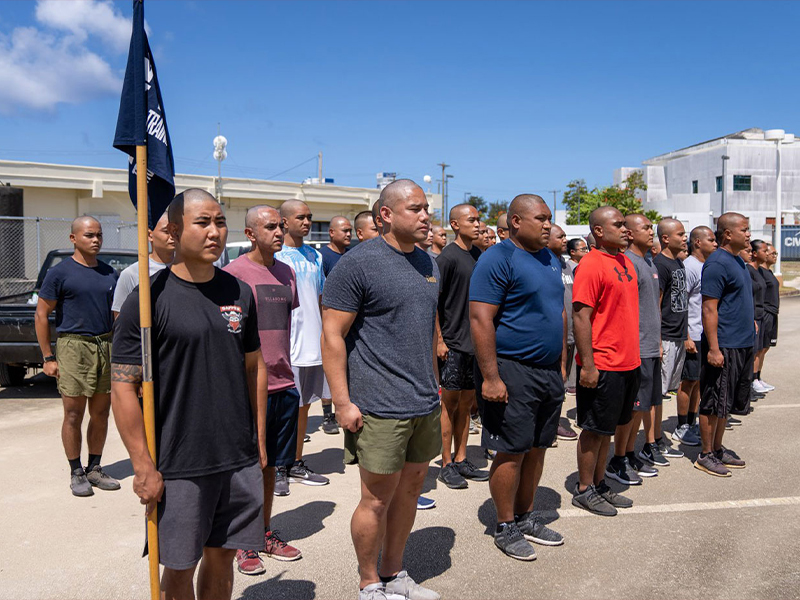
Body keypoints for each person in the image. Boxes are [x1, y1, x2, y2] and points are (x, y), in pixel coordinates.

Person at [111, 190, 267, 600]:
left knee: (223, 561)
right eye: (203, 222)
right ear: (175, 232)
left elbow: (254, 368)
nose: (214, 231)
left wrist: (259, 441)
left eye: (219, 222)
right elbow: (123, 386)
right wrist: (143, 465)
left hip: (237, 458)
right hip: (179, 463)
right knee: (179, 567)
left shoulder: (239, 293)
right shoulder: (147, 301)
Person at [321, 179, 442, 600]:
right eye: (415, 208)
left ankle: (394, 574)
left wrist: (435, 389)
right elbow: (332, 334)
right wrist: (341, 401)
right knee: (375, 501)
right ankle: (369, 583)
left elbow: (425, 331)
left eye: (426, 208)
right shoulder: (357, 264)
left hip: (424, 402)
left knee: (410, 492)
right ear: (386, 215)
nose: (425, 216)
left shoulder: (429, 264)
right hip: (378, 405)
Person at [471, 194, 566, 560]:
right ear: (514, 221)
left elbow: (554, 312)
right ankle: (505, 524)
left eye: (549, 218)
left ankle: (525, 516)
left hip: (547, 372)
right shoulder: (498, 259)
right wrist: (491, 377)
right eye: (540, 218)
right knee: (511, 450)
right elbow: (480, 319)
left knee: (538, 446)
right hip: (512, 370)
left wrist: (560, 363)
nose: (547, 225)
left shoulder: (549, 258)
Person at [224, 205, 303, 574]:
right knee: (245, 469)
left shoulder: (287, 272)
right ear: (250, 233)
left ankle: (264, 531)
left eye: (280, 226)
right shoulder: (231, 275)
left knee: (270, 466)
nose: (279, 231)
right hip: (245, 390)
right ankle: (242, 541)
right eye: (270, 226)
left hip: (284, 383)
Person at [35, 216, 120, 497]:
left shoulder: (110, 273)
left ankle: (94, 468)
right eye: (89, 235)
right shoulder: (60, 273)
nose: (95, 240)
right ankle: (76, 471)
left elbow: (117, 316)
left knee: (100, 413)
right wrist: (48, 356)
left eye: (99, 235)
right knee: (73, 414)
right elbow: (41, 314)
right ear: (74, 239)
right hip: (73, 347)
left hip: (104, 346)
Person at [571, 207, 640, 517]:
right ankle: (584, 488)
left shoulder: (625, 261)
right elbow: (581, 316)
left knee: (608, 429)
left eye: (626, 224)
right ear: (598, 231)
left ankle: (599, 483)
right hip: (603, 363)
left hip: (628, 362)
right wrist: (588, 365)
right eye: (618, 224)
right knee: (594, 430)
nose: (625, 229)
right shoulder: (590, 264)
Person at [275, 200, 337, 470]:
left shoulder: (316, 256)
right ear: (285, 221)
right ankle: (277, 464)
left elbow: (322, 299)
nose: (307, 222)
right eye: (301, 217)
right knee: (280, 409)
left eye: (310, 217)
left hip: (312, 344)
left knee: (303, 407)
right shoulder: (274, 256)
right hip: (284, 346)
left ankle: (296, 461)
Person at [435, 203, 488, 490]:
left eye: (479, 219)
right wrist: (440, 340)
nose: (478, 224)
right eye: (472, 220)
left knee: (467, 405)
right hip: (453, 343)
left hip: (474, 344)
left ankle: (462, 456)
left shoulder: (479, 255)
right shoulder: (447, 258)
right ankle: (446, 463)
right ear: (455, 224)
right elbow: (434, 303)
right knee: (449, 404)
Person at [695, 212, 752, 477]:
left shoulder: (737, 261)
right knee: (712, 400)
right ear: (728, 234)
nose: (749, 234)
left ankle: (717, 449)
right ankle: (705, 454)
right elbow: (709, 308)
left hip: (741, 343)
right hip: (724, 345)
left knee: (725, 403)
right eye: (745, 229)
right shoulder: (717, 263)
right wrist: (715, 348)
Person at [618, 214, 661, 481]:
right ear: (630, 233)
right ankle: (619, 458)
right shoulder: (629, 263)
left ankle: (630, 452)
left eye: (650, 227)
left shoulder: (647, 262)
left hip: (650, 347)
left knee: (643, 406)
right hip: (638, 348)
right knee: (633, 408)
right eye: (644, 227)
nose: (650, 231)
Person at [673, 226, 717, 447]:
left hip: (704, 333)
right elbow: (681, 305)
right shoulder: (688, 267)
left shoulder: (707, 266)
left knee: (698, 382)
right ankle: (682, 427)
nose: (715, 243)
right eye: (711, 239)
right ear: (697, 242)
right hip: (692, 333)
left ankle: (691, 423)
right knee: (688, 382)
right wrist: (686, 336)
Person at [649, 218, 688, 462]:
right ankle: (651, 443)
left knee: (664, 394)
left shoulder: (678, 263)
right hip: (666, 336)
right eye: (681, 234)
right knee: (655, 395)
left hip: (679, 336)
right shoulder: (660, 265)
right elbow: (657, 303)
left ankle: (659, 438)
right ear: (665, 238)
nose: (685, 238)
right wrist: (659, 340)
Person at [547, 224, 578, 441]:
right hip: (554, 335)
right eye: (560, 236)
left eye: (566, 236)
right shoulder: (545, 264)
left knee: (563, 381)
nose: (565, 239)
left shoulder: (566, 266)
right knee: (553, 381)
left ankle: (554, 421)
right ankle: (550, 423)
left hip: (572, 333)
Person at [112, 212, 175, 317]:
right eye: (166, 231)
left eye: (175, 231)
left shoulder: (189, 270)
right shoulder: (131, 274)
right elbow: (120, 318)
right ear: (150, 235)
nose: (172, 236)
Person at [747, 240, 771, 396]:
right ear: (754, 254)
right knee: (752, 352)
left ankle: (755, 381)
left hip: (761, 315)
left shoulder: (759, 271)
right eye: (764, 251)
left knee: (759, 349)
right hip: (754, 316)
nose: (767, 253)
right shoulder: (749, 270)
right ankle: (750, 384)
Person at [757, 243, 780, 390]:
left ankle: (758, 377)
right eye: (772, 253)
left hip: (772, 313)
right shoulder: (760, 272)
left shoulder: (769, 272)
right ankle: (753, 380)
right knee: (759, 348)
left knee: (765, 347)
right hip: (765, 313)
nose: (774, 256)